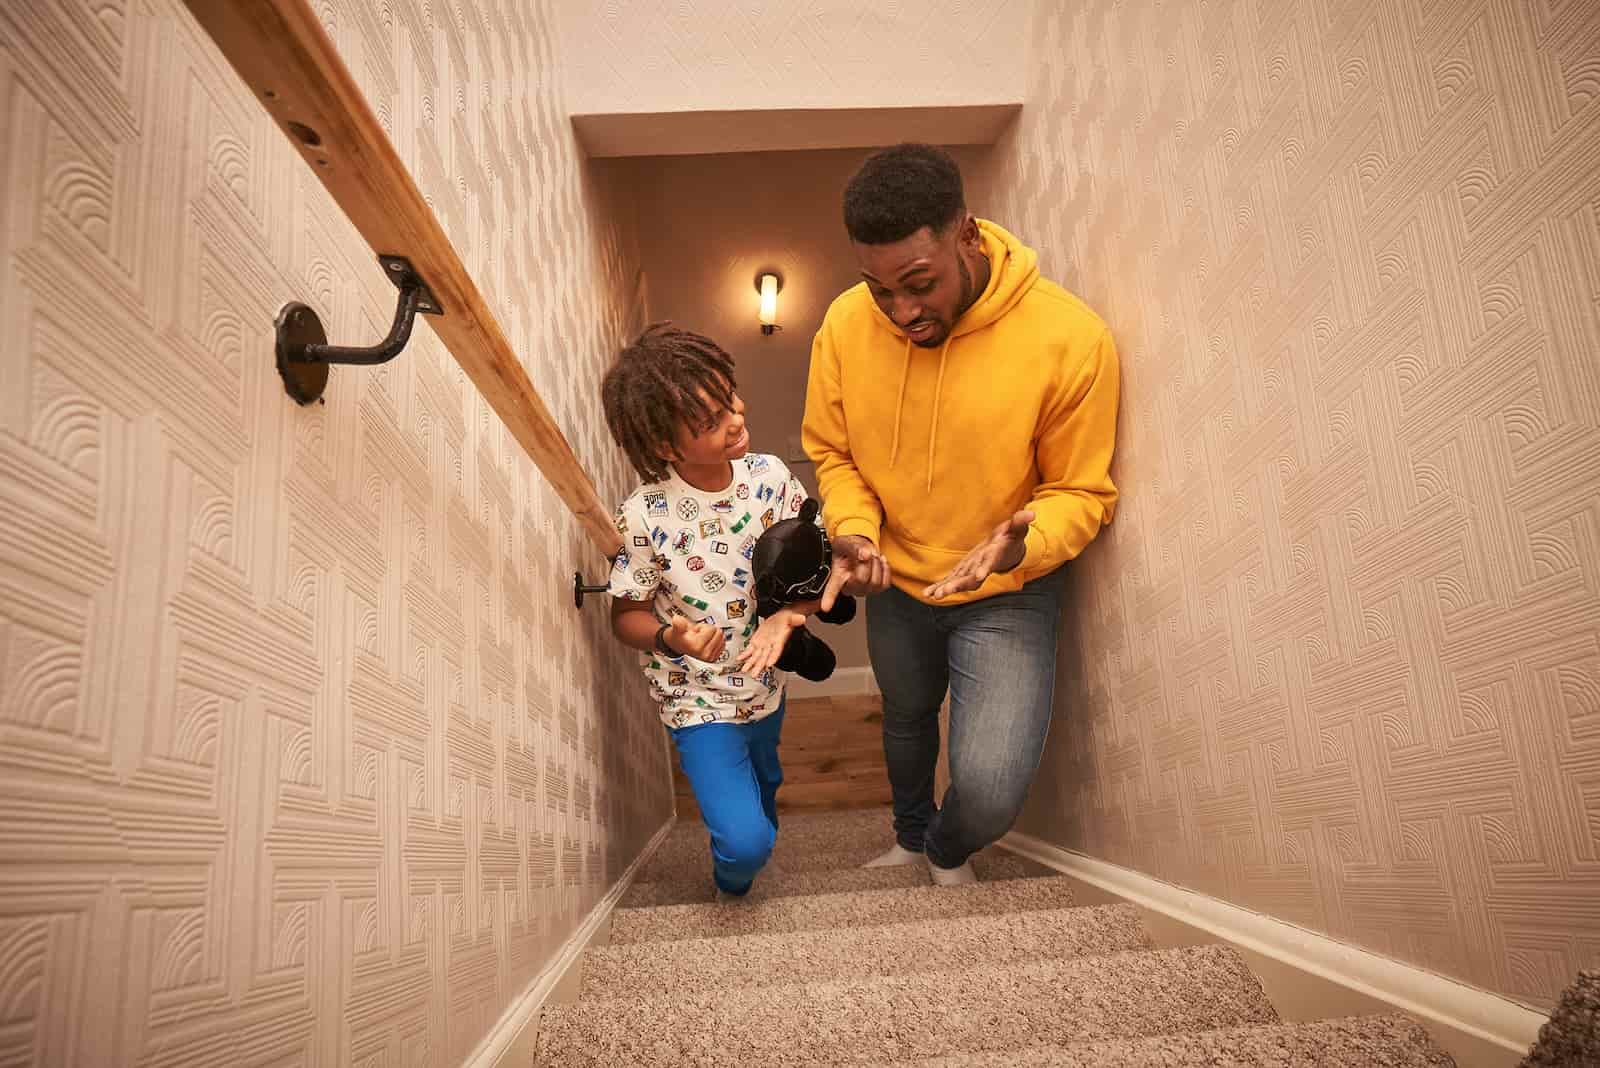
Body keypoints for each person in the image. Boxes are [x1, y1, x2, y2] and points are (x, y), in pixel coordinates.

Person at [802, 143, 1121, 885]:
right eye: (880, 289)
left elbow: (1083, 492)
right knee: (907, 720)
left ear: (968, 236)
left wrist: (1025, 543)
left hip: (1007, 590)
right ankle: (911, 838)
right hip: (894, 581)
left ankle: (947, 849)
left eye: (919, 283)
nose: (901, 311)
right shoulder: (846, 324)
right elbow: (833, 451)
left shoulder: (1070, 339)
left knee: (990, 788)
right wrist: (855, 531)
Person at [601, 323, 818, 897]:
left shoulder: (772, 480)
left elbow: (815, 576)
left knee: (765, 783)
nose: (736, 419)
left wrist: (785, 617)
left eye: (731, 399)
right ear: (667, 447)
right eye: (711, 421)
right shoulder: (644, 515)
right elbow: (625, 616)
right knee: (747, 842)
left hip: (764, 686)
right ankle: (733, 880)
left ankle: (751, 834)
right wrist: (673, 638)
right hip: (694, 697)